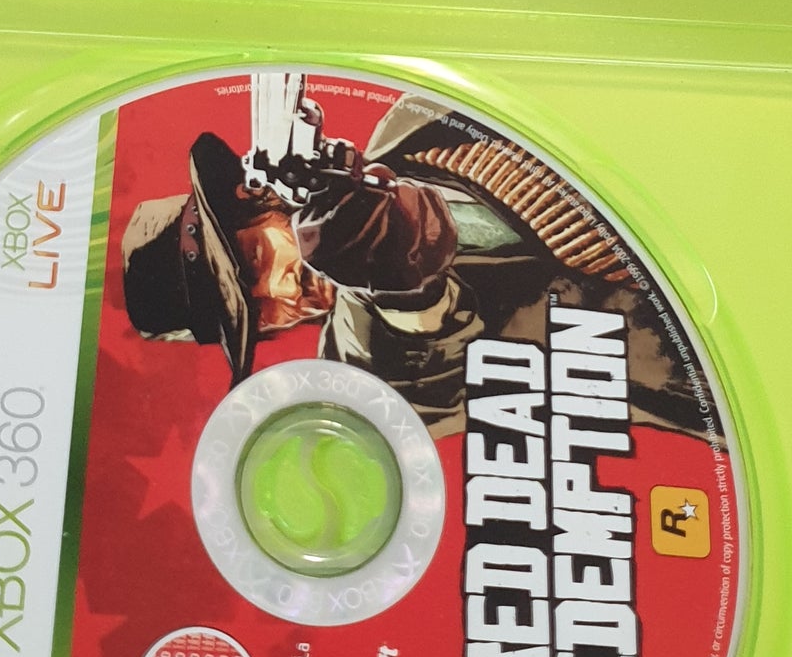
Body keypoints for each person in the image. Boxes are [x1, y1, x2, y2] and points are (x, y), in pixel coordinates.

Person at [119, 92, 724, 444]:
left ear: (262, 198)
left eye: (256, 258)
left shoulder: (421, 119)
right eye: (261, 314)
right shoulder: (365, 368)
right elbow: (412, 382)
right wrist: (401, 293)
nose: (285, 291)